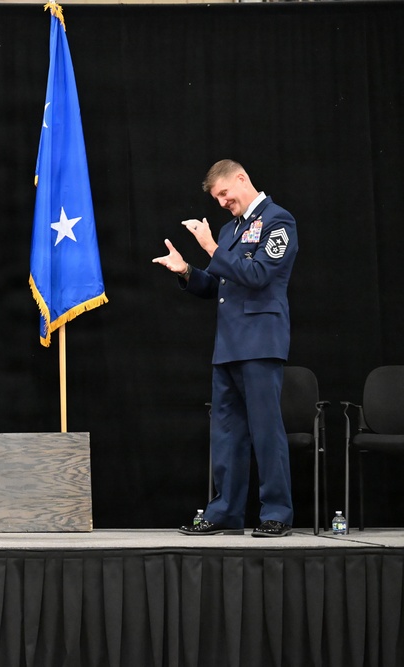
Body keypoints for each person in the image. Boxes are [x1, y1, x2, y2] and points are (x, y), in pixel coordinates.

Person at [152, 159, 298, 538]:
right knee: (226, 434)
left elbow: (258, 275)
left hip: (260, 342)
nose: (222, 202)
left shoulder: (278, 221)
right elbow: (219, 285)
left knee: (266, 431)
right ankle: (225, 512)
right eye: (217, 198)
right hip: (228, 346)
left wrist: (210, 246)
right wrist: (186, 270)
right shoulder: (231, 230)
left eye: (223, 194)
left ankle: (277, 513)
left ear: (241, 178)